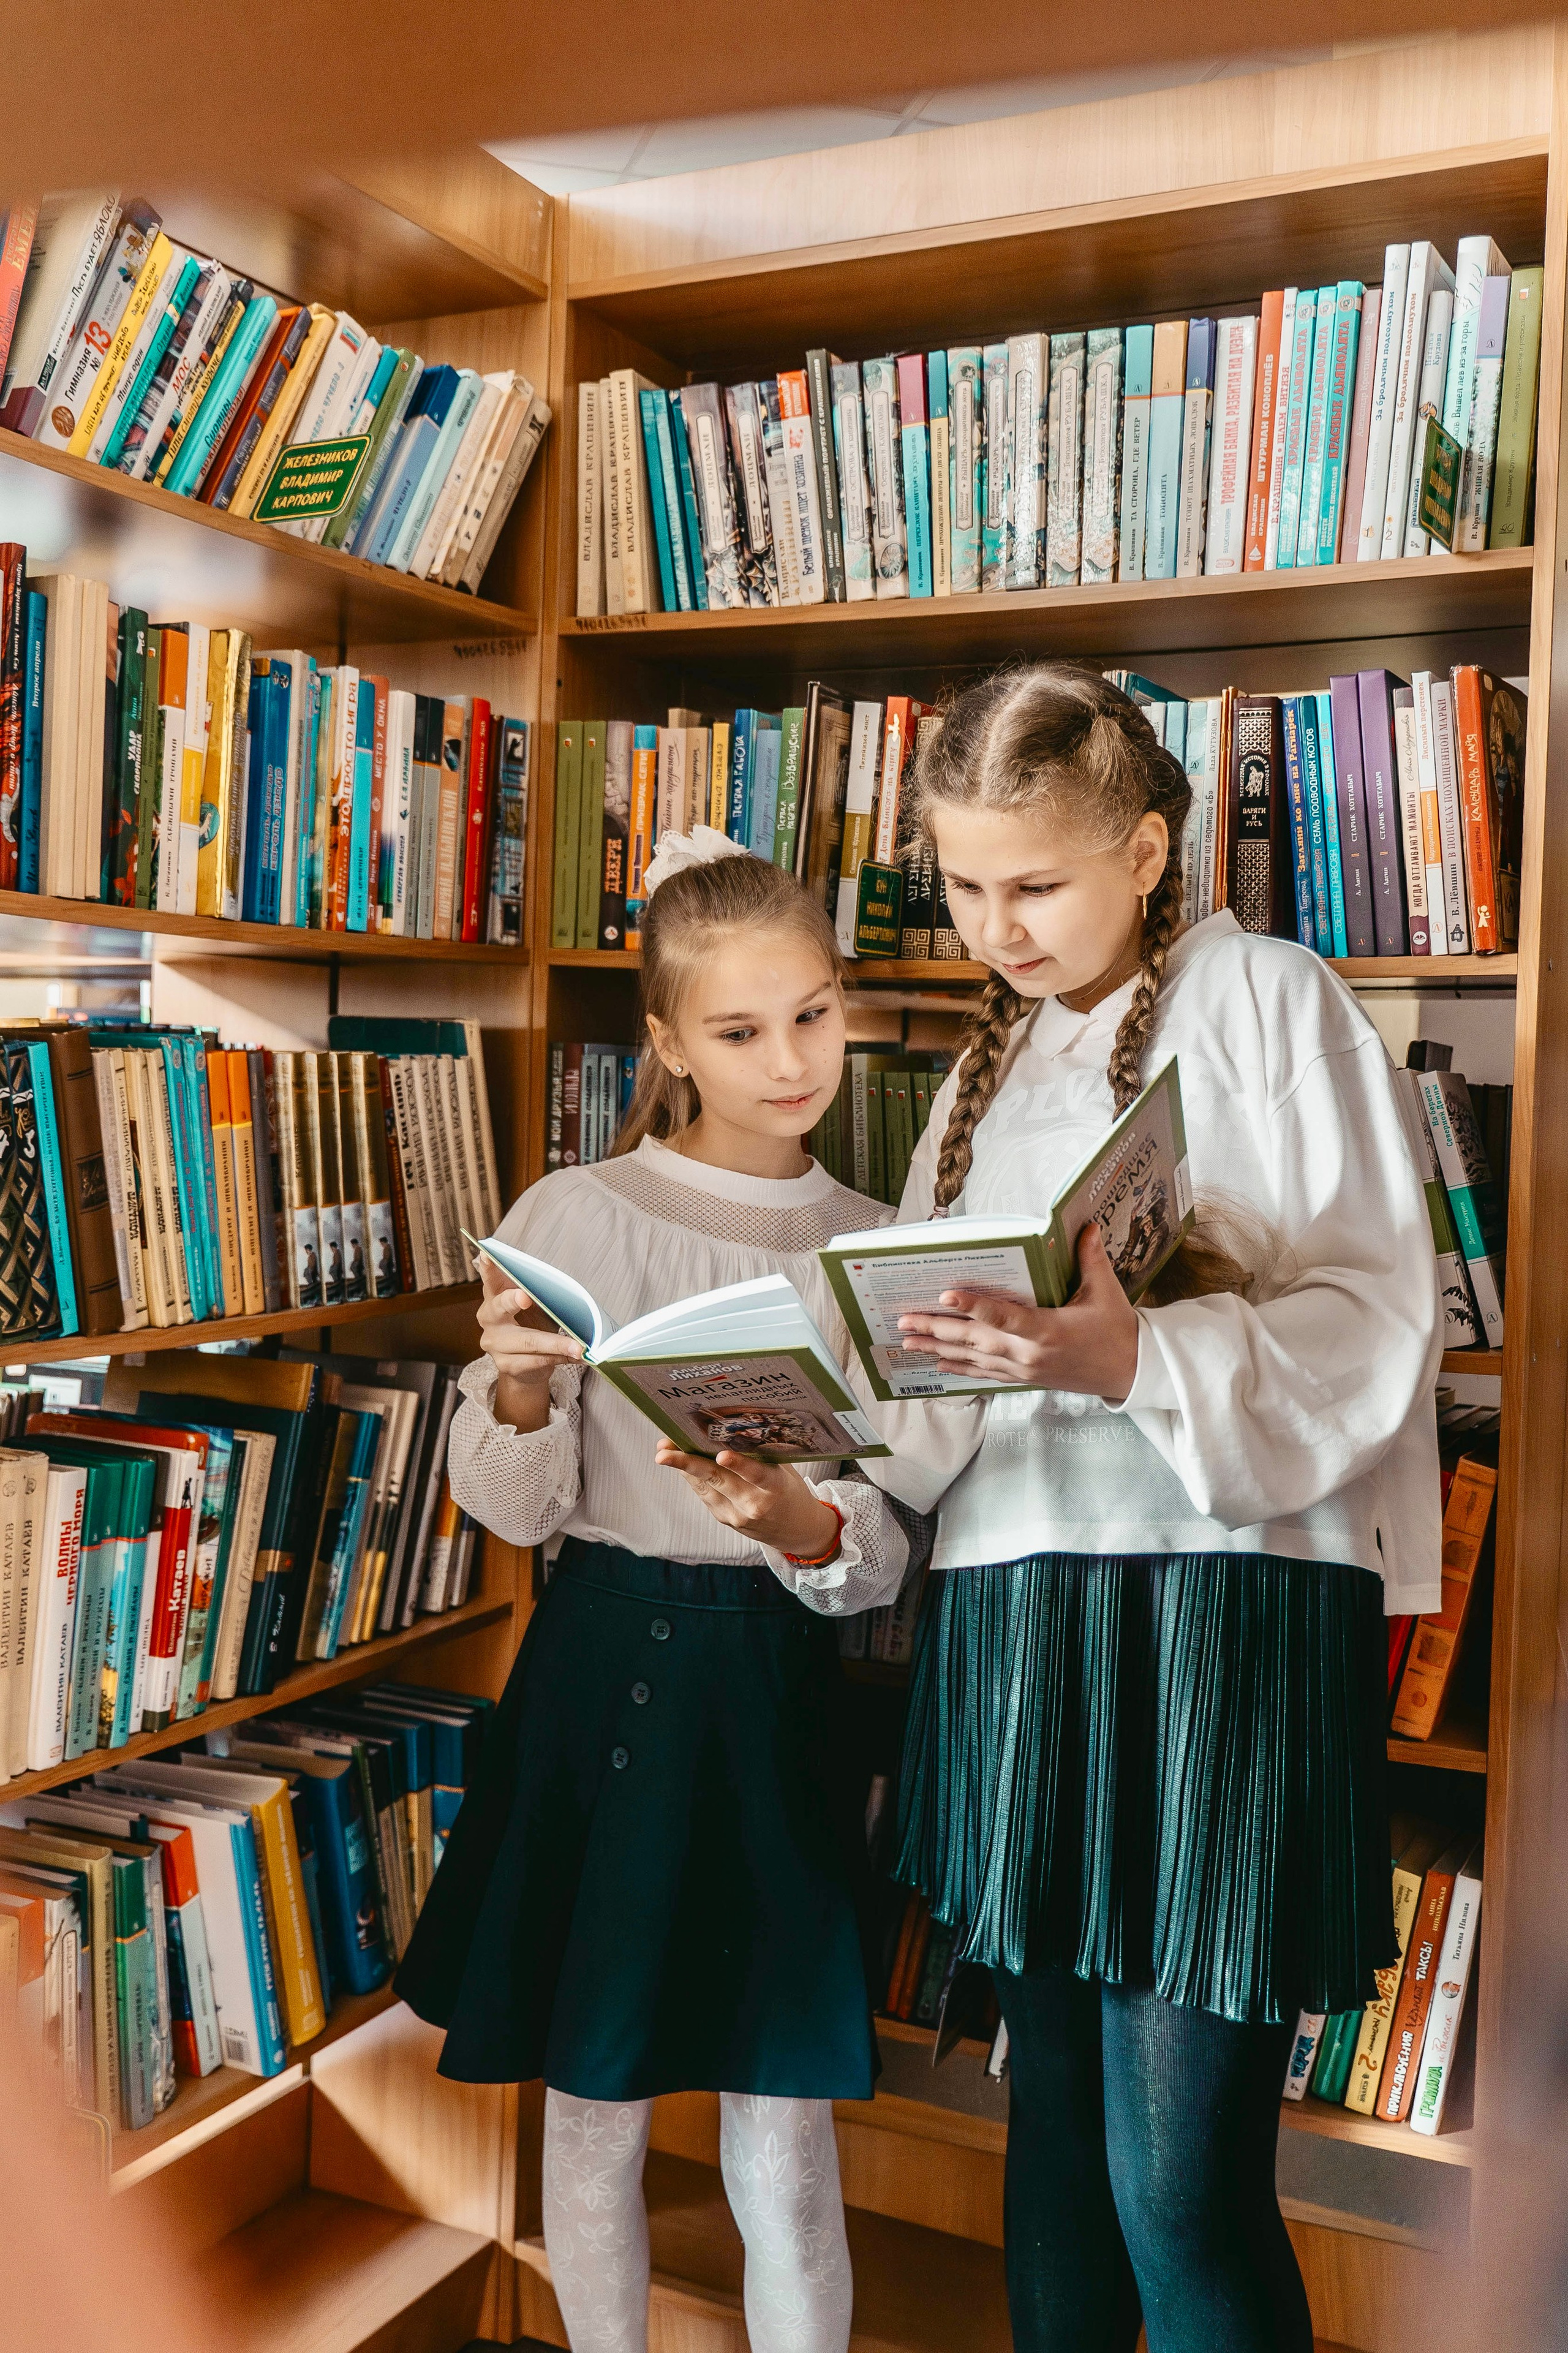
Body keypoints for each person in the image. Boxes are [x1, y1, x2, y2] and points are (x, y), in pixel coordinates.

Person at [684, 667, 1443, 2353]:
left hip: (1218, 1612)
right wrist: (811, 1470)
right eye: (962, 886)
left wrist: (1131, 1358)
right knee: (1053, 2163)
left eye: (1032, 883)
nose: (995, 927)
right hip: (1019, 1619)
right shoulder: (979, 1082)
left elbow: (1384, 1319)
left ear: (1148, 848)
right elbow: (942, 1429)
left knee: (1179, 2183)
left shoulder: (1268, 997)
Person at [395, 832, 921, 2353]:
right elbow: (514, 1509)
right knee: (594, 2115)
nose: (788, 1058)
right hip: (600, 1668)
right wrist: (506, 1397)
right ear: (669, 1043)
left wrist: (798, 1520)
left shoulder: (875, 1245)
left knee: (782, 2144)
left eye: (814, 1015)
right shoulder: (576, 1209)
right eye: (741, 1030)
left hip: (774, 1689)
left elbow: (884, 1554)